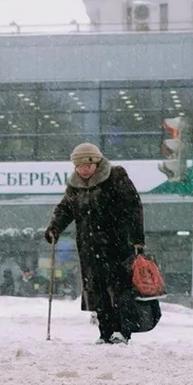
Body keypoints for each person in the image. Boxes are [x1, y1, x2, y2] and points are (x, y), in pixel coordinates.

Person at [45, 143, 144, 345]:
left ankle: (122, 331)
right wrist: (54, 227)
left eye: (87, 165)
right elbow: (65, 209)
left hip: (117, 244)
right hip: (89, 247)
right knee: (97, 291)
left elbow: (133, 207)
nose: (84, 170)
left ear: (96, 162)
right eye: (79, 166)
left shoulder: (115, 176)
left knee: (119, 288)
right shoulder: (75, 185)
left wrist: (136, 239)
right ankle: (105, 331)